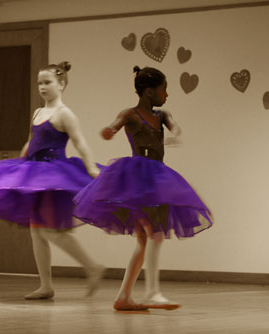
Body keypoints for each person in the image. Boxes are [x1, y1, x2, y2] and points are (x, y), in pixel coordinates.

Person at [0, 62, 105, 300]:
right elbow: (31, 141)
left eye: (47, 82)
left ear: (61, 84)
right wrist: (18, 165)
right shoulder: (38, 113)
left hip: (53, 176)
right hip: (33, 172)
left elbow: (80, 142)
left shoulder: (64, 113)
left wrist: (90, 167)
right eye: (39, 83)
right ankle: (46, 285)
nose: (42, 87)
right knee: (36, 232)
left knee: (51, 232)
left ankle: (92, 266)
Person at [74, 66, 213, 311]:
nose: (167, 95)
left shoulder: (162, 115)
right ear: (149, 92)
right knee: (154, 234)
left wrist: (176, 133)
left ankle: (124, 296)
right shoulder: (130, 114)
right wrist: (109, 131)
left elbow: (175, 126)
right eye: (164, 90)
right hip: (137, 179)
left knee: (144, 239)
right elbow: (114, 126)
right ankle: (151, 292)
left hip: (157, 178)